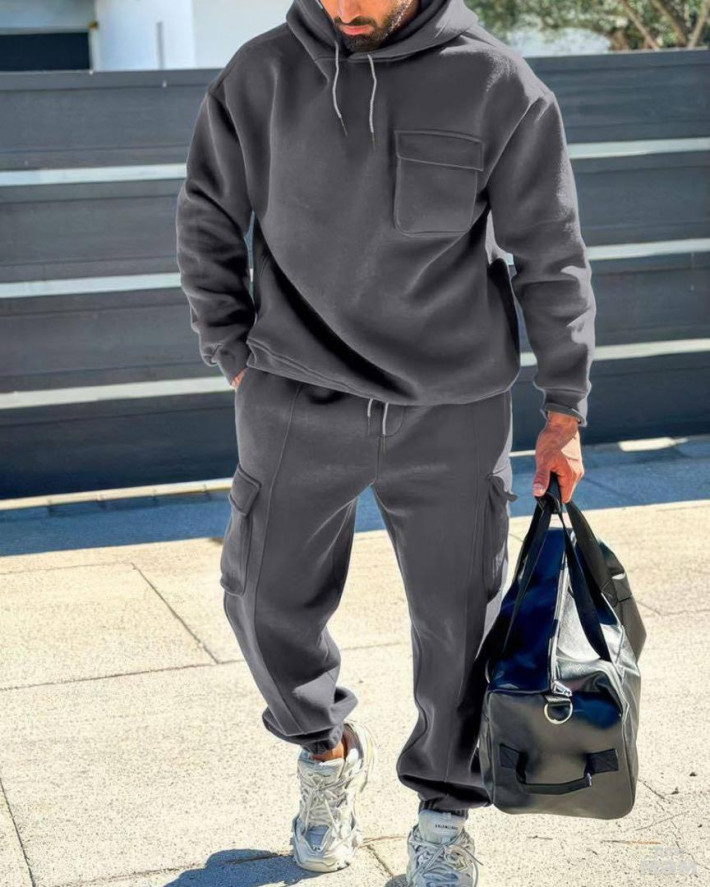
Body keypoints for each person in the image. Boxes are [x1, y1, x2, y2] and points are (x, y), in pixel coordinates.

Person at [176, 0, 594, 883]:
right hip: (295, 392)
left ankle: (444, 809)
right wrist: (232, 350)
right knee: (260, 597)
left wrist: (564, 407)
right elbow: (207, 211)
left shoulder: (497, 84)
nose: (344, 7)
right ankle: (324, 748)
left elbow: (550, 251)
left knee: (459, 623)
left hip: (452, 406)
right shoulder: (261, 74)